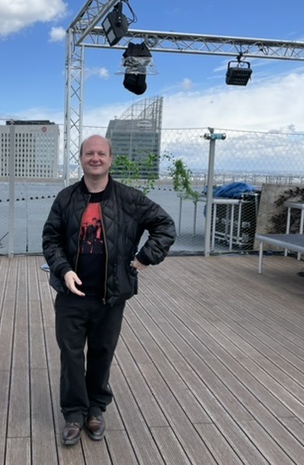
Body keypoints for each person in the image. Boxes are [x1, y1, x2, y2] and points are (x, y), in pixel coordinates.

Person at [42, 135, 176, 446]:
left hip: (111, 294)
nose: (95, 158)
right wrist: (64, 270)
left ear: (110, 159)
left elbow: (165, 226)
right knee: (71, 355)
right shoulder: (65, 199)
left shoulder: (130, 199)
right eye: (89, 153)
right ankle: (74, 413)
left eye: (101, 153)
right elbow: (51, 239)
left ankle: (95, 409)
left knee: (102, 352)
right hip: (71, 294)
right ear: (81, 158)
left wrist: (145, 257)